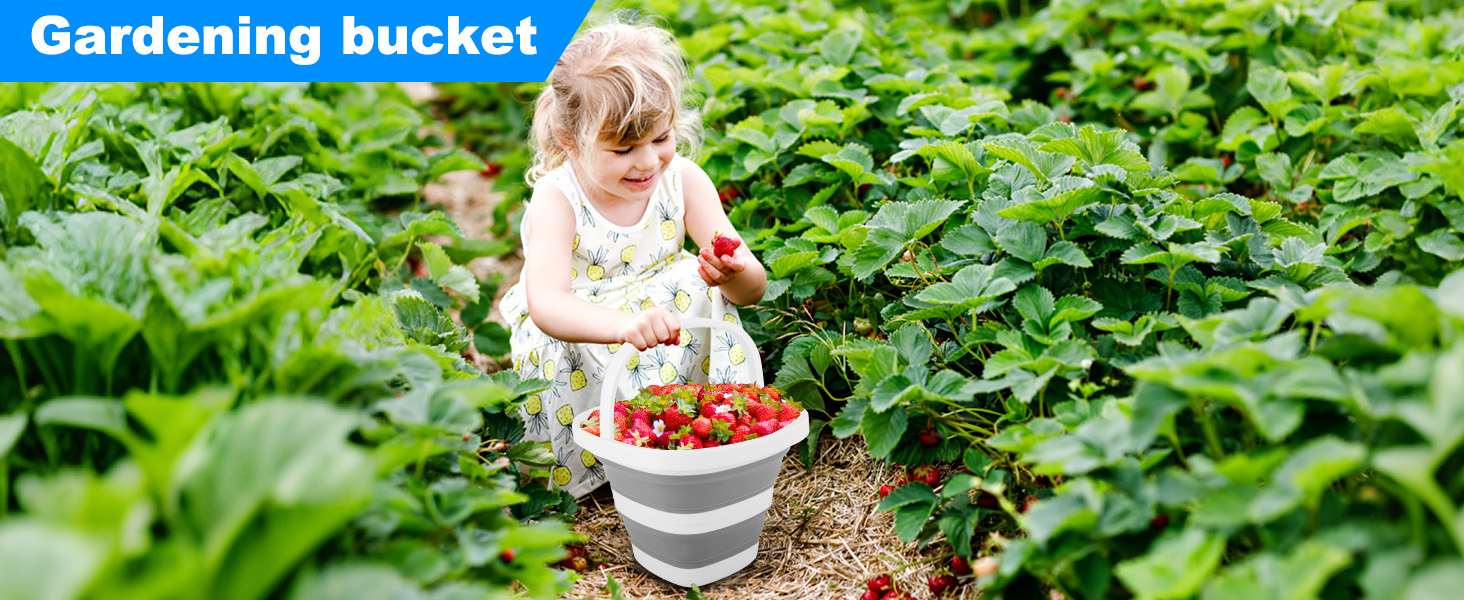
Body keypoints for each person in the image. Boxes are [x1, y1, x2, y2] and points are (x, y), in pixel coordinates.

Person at [497, 13, 769, 498]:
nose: (647, 162)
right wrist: (620, 325)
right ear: (569, 141)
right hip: (589, 330)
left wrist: (733, 273)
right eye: (623, 149)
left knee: (698, 284)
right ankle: (589, 456)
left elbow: (753, 290)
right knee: (553, 341)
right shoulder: (558, 199)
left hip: (659, 325)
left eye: (660, 139)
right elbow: (547, 304)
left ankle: (696, 424)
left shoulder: (683, 180)